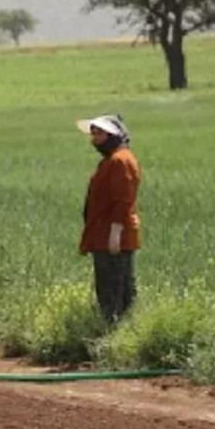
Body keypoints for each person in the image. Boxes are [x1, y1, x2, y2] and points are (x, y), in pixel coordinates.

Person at [78, 114, 141, 323]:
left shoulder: (119, 161)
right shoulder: (112, 160)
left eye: (99, 134)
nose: (94, 139)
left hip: (113, 238)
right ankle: (119, 332)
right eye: (93, 134)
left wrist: (115, 232)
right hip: (104, 235)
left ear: (113, 135)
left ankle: (115, 334)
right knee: (114, 289)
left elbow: (123, 199)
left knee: (113, 292)